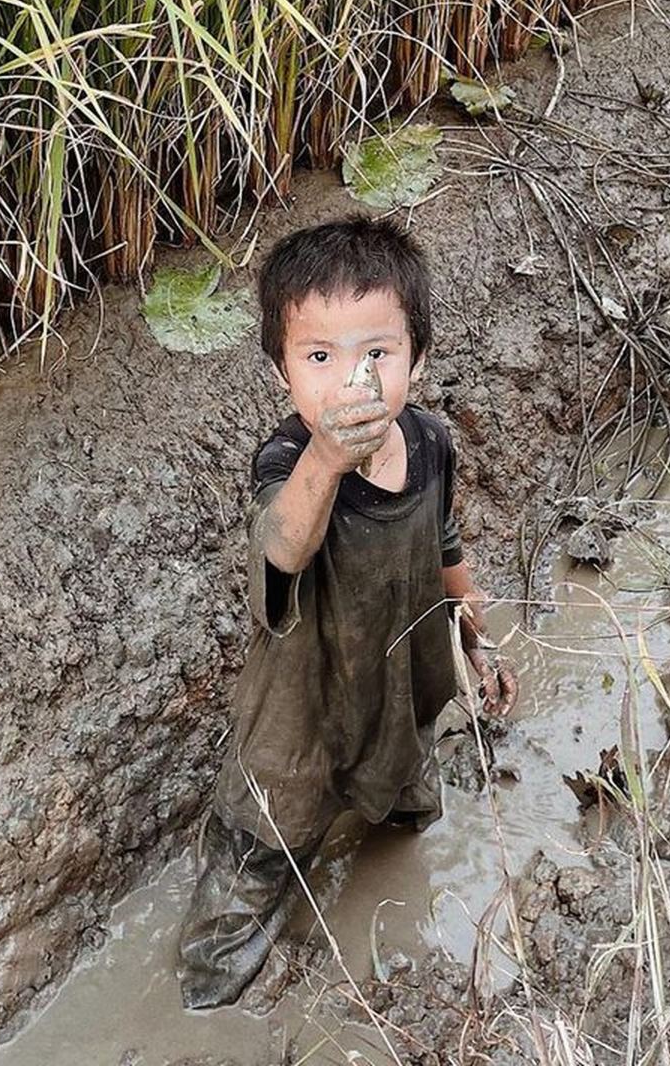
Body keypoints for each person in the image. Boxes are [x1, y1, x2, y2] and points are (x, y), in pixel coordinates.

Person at [175, 215, 518, 1010]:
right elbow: (280, 550)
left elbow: (441, 537)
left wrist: (475, 631)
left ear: (417, 361)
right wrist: (327, 461)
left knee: (408, 802)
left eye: (377, 354)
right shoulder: (288, 463)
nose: (350, 381)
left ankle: (391, 820)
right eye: (319, 357)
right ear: (280, 373)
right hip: (298, 719)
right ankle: (205, 1007)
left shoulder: (430, 441)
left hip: (399, 684)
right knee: (241, 892)